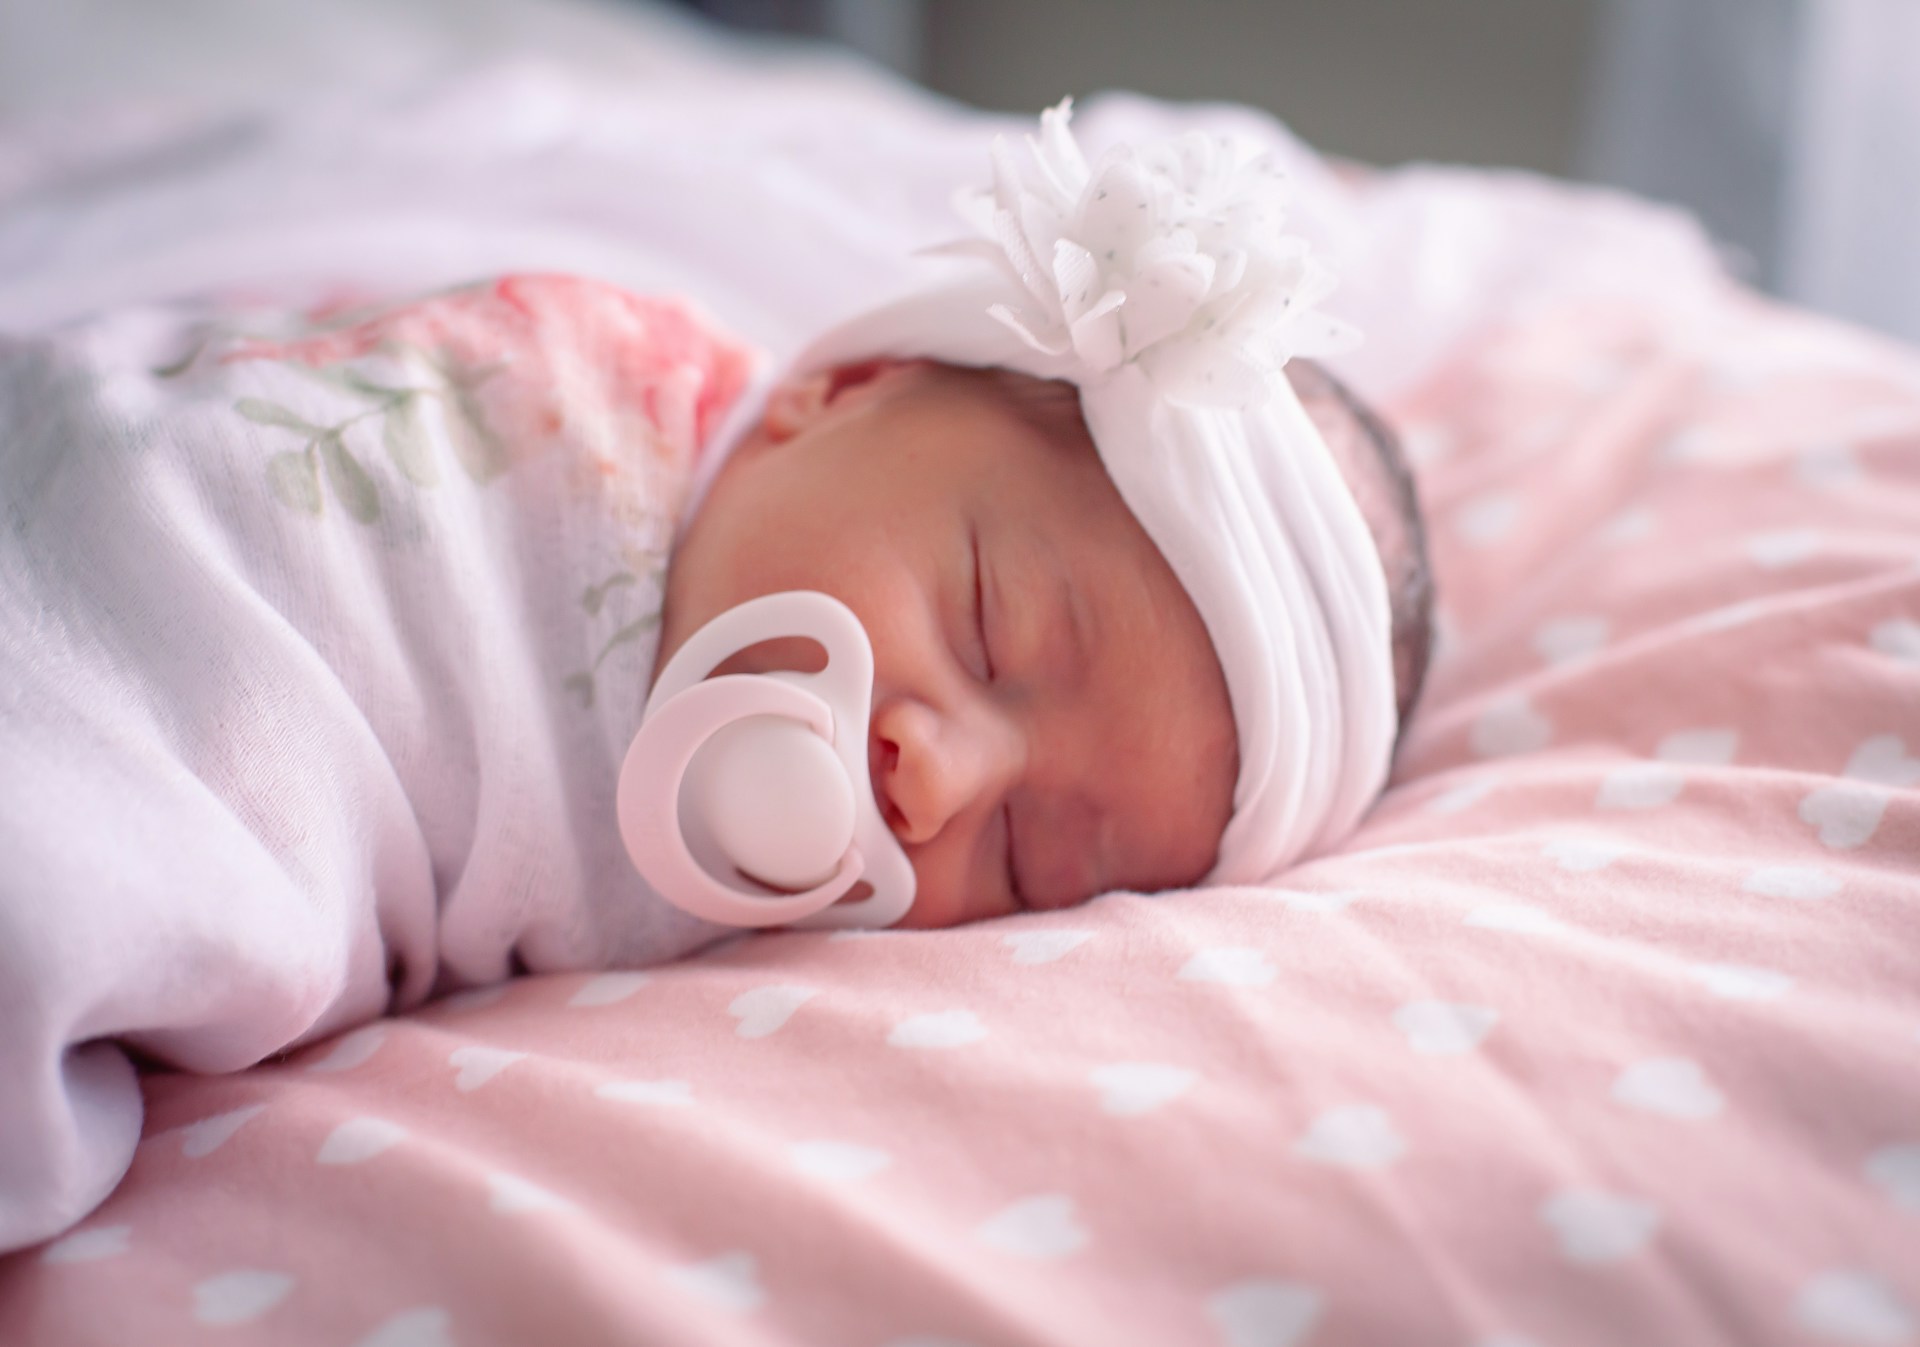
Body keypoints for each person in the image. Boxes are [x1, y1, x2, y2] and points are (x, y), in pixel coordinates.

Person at [0, 102, 1430, 1251]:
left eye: (1033, 852)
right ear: (842, 394)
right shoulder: (599, 359)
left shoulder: (707, 888)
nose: (940, 774)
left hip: (144, 769)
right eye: (987, 622)